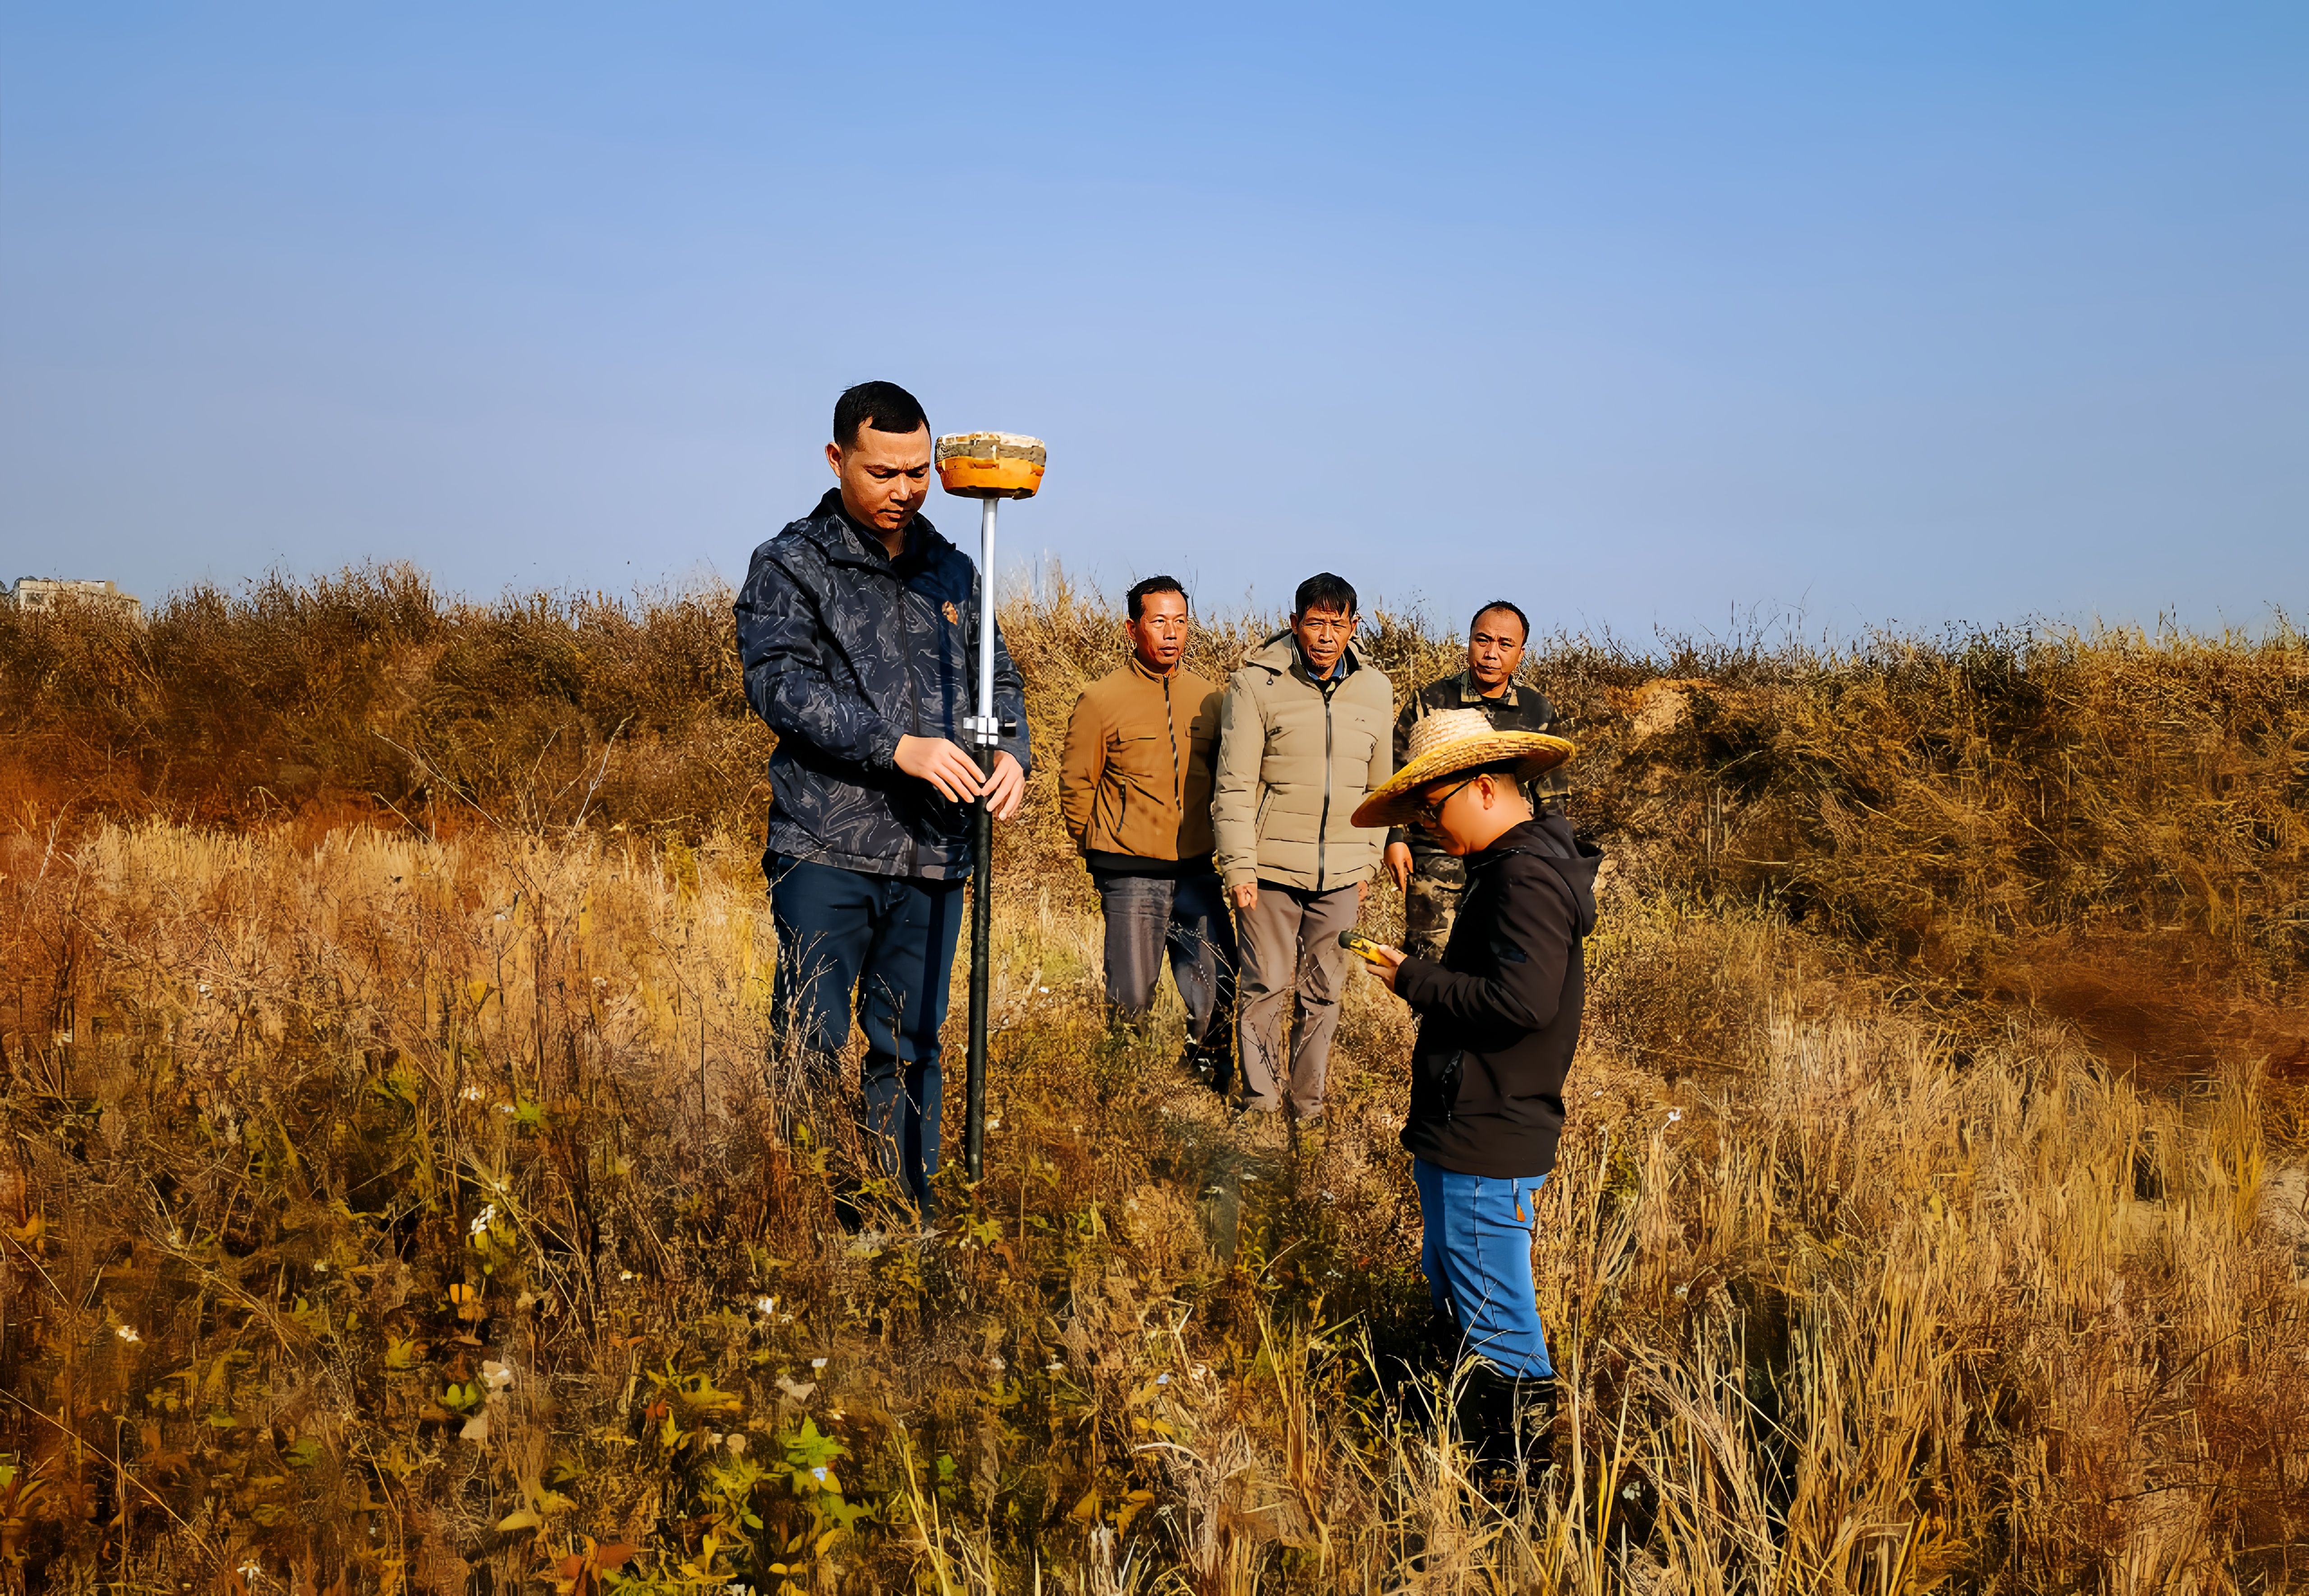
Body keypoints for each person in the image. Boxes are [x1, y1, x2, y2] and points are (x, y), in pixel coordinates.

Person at [733, 381, 1030, 1220]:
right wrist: (897, 747)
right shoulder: (791, 564)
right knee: (813, 1038)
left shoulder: (955, 569)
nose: (905, 489)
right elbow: (780, 685)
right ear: (837, 460)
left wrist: (1013, 754)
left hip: (935, 852)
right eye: (883, 472)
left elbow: (999, 680)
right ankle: (806, 1215)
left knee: (911, 1043)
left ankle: (899, 1213)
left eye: (918, 471)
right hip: (828, 846)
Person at [1352, 706, 1596, 1488]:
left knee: (1498, 1314)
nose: (1428, 825)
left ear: (1485, 788)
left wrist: (1415, 979)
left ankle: (1515, 1490)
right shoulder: (1513, 866)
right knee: (1463, 1291)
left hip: (1489, 1129)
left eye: (1434, 807)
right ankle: (1470, 1453)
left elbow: (1522, 1003)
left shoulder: (1525, 876)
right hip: (1472, 1122)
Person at [1211, 573, 1393, 1127]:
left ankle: (1306, 1108)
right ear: (1294, 623)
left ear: (1353, 627)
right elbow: (1233, 785)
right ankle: (1261, 1104)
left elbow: (1380, 789)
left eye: (1337, 624)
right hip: (1267, 869)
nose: (1325, 636)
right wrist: (1239, 866)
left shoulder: (1375, 689)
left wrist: (1366, 862)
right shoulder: (1254, 685)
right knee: (1265, 986)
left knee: (1324, 993)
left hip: (1341, 872)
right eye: (1314, 623)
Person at [1059, 577, 1237, 1083]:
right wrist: (1100, 850)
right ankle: (1122, 1089)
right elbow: (1076, 782)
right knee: (1131, 996)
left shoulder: (1210, 699)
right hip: (1129, 873)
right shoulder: (1100, 699)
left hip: (1196, 870)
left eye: (1180, 622)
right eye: (1158, 621)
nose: (1171, 633)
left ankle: (1204, 1080)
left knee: (1218, 983)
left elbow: (1229, 779)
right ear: (1132, 628)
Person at [1383, 600, 1568, 961]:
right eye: (1482, 640)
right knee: (1429, 957)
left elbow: (1552, 797)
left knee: (1502, 955)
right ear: (1468, 642)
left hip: (1511, 856)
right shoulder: (1430, 701)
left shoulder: (1537, 711)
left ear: (1521, 654)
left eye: (1505, 644)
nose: (1491, 653)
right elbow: (1398, 773)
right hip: (1437, 854)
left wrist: (1554, 860)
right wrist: (1395, 838)